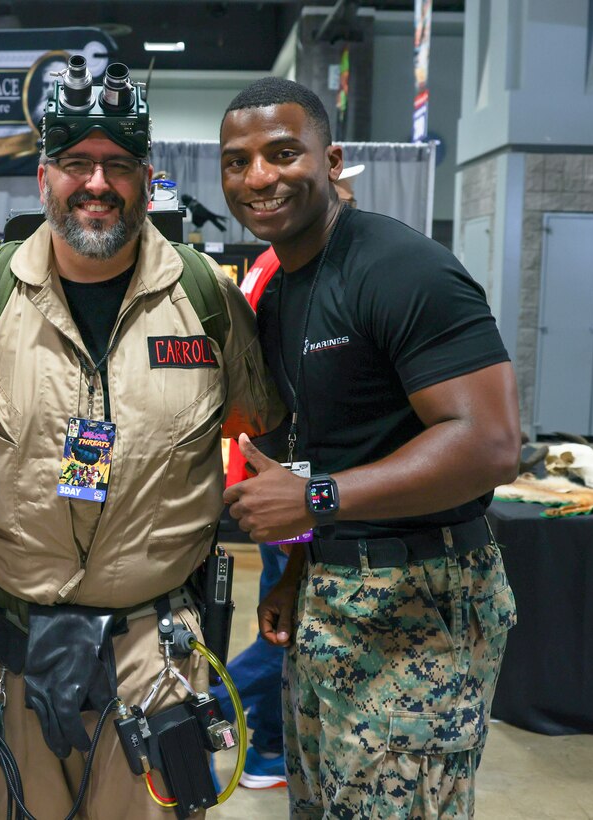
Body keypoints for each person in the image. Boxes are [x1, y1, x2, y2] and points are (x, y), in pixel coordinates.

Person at [0, 69, 281, 817]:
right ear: (45, 177)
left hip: (155, 652)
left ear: (146, 179)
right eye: (76, 163)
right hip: (10, 641)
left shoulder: (206, 300)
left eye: (118, 166)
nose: (95, 183)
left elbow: (264, 433)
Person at [219, 77, 521, 818]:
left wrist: (316, 500)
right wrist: (295, 571)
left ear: (331, 158)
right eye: (237, 161)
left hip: (425, 604)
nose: (258, 177)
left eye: (282, 152)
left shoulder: (398, 266)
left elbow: (488, 442)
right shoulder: (282, 292)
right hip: (331, 599)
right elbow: (332, 441)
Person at [210, 160, 368, 792]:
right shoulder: (287, 272)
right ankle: (201, 710)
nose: (349, 203)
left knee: (283, 615)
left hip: (287, 480)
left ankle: (269, 749)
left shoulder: (290, 267)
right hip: (289, 486)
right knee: (288, 627)